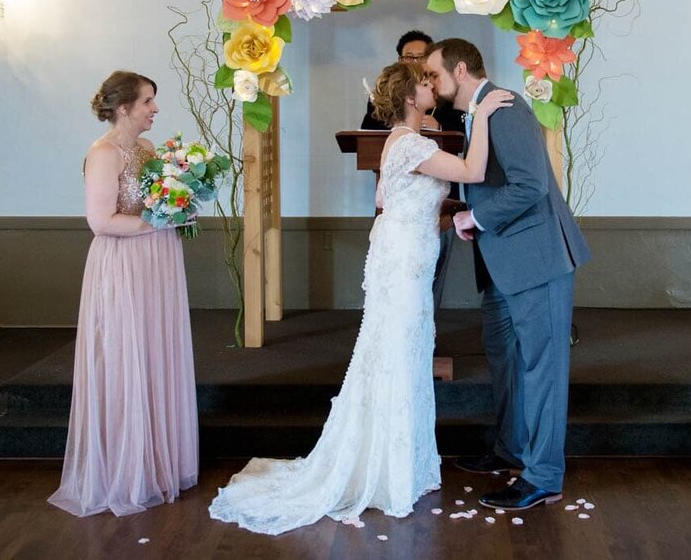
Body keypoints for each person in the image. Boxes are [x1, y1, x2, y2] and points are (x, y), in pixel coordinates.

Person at [208, 62, 513, 535]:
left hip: (402, 252)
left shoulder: (400, 142)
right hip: (404, 260)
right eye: (425, 83)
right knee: (396, 352)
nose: (433, 87)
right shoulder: (410, 143)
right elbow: (472, 170)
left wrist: (446, 213)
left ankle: (398, 462)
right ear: (411, 97)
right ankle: (385, 470)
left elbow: (388, 202)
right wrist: (485, 115)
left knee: (401, 351)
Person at [425, 38, 591, 512]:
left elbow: (531, 186)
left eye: (435, 75)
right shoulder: (479, 113)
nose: (432, 84)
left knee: (542, 368)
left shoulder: (506, 108)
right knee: (509, 361)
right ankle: (510, 450)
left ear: (460, 69)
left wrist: (474, 219)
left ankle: (543, 476)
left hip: (535, 259)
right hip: (503, 262)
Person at [49, 71, 198, 517]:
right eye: (148, 101)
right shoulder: (103, 153)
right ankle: (123, 467)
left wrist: (180, 206)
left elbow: (158, 200)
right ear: (123, 108)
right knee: (124, 357)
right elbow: (101, 222)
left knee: (155, 354)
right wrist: (160, 222)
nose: (155, 108)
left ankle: (155, 462)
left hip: (158, 260)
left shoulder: (149, 150)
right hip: (123, 263)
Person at [361, 30, 464, 311]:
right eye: (410, 57)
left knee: (420, 300)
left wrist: (439, 128)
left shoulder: (444, 97)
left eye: (422, 58)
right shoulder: (408, 142)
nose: (416, 62)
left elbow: (461, 133)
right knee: (407, 303)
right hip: (408, 226)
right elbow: (471, 171)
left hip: (432, 214)